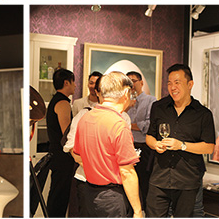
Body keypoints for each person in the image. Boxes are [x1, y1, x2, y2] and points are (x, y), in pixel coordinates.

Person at [145, 63, 215, 217]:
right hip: (159, 178)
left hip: (187, 181)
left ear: (190, 84)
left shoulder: (203, 114)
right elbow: (149, 136)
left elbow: (209, 147)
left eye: (177, 82)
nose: (172, 87)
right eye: (169, 83)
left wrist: (181, 146)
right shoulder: (158, 107)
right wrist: (155, 144)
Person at [73, 72, 143, 218]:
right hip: (111, 197)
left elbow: (77, 155)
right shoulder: (119, 124)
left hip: (89, 194)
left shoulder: (85, 118)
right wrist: (137, 211)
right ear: (125, 93)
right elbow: (127, 172)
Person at [65, 74, 104, 217]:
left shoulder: (123, 117)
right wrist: (88, 163)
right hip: (86, 178)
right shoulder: (83, 113)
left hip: (114, 185)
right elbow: (70, 145)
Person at [45, 68, 76, 218]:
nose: (75, 86)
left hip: (57, 154)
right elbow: (67, 133)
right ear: (66, 83)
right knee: (59, 194)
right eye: (73, 82)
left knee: (58, 192)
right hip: (62, 156)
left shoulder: (56, 100)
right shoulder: (62, 102)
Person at [126, 71, 157, 213]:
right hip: (127, 146)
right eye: (128, 81)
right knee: (127, 182)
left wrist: (129, 124)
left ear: (141, 82)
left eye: (134, 81)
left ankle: (144, 213)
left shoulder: (151, 100)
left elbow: (149, 125)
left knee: (144, 184)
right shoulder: (124, 102)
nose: (131, 84)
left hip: (144, 148)